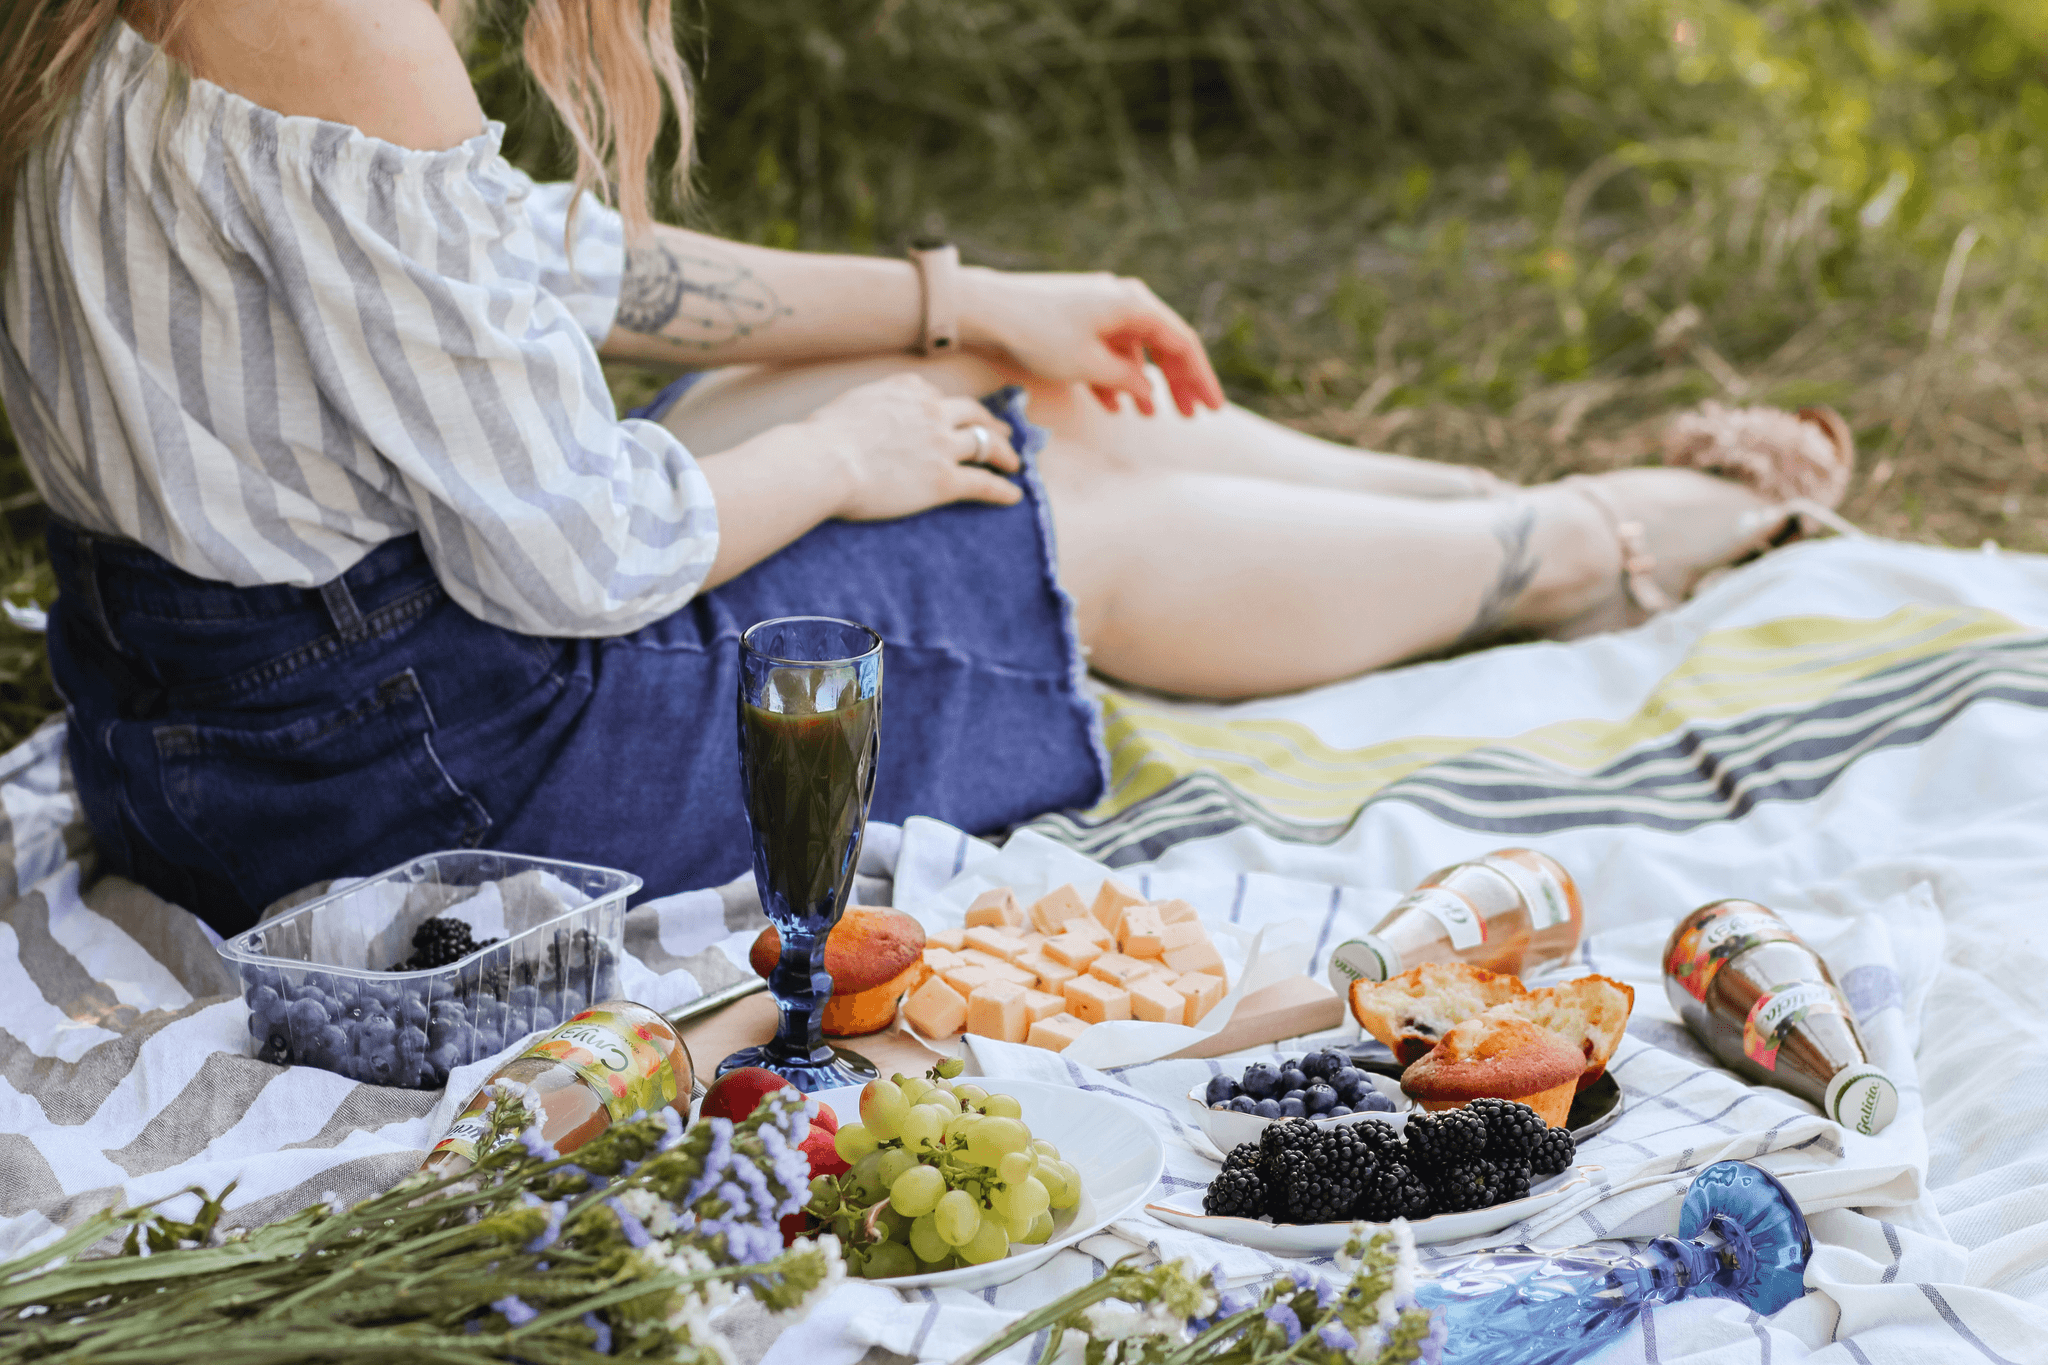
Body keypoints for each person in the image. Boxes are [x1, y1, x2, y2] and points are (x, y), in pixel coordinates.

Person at [0, 0, 1852, 935]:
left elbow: (533, 268)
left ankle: (1468, 498)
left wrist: (954, 298)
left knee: (949, 374)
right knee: (1026, 511)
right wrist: (843, 454)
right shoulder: (343, 33)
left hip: (220, 728)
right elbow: (574, 558)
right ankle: (1605, 544)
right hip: (415, 777)